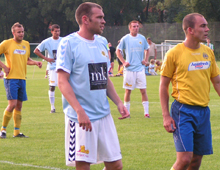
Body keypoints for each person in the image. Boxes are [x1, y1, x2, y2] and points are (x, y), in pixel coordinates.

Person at [56, 2, 130, 170]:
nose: (104, 21)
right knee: (83, 166)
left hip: (103, 115)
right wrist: (79, 111)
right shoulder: (69, 43)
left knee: (116, 165)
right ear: (85, 19)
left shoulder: (102, 42)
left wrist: (119, 103)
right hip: (80, 118)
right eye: (99, 17)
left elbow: (104, 78)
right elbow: (62, 81)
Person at [159, 13, 220, 170]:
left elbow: (217, 81)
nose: (207, 29)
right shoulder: (174, 53)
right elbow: (163, 85)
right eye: (203, 26)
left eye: (206, 25)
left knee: (196, 160)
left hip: (203, 112)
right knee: (185, 159)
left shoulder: (208, 52)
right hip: (183, 111)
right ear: (190, 30)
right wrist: (166, 116)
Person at [0, 22, 42, 138]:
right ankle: (3, 130)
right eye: (19, 32)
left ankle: (16, 132)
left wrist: (35, 62)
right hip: (11, 79)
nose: (21, 34)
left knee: (19, 106)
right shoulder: (7, 43)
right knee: (12, 104)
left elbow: (27, 60)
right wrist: (4, 67)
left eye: (22, 31)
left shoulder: (26, 44)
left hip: (22, 78)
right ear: (13, 33)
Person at [116, 20, 150, 118]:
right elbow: (118, 51)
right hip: (129, 69)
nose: (136, 28)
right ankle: (127, 113)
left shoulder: (142, 38)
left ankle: (146, 113)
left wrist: (145, 60)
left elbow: (147, 49)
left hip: (140, 69)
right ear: (130, 28)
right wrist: (123, 62)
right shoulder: (125, 38)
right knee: (128, 91)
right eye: (134, 26)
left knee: (143, 90)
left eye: (137, 26)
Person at [34, 24, 62, 113]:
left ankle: (67, 106)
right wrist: (46, 59)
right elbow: (36, 51)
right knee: (52, 86)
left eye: (58, 31)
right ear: (52, 32)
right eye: (55, 31)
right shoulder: (47, 41)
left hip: (63, 67)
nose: (57, 33)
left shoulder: (64, 40)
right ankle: (52, 107)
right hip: (53, 68)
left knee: (66, 87)